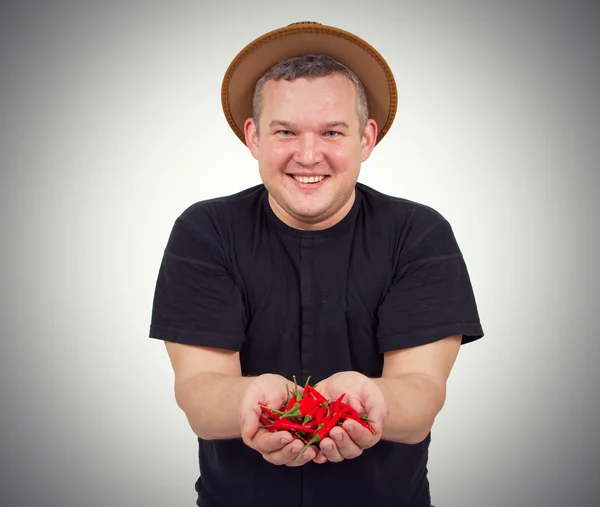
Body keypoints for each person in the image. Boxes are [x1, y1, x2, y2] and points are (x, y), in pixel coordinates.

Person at [149, 21, 484, 507]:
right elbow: (200, 392)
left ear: (366, 139)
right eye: (285, 131)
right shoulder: (206, 231)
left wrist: (376, 401)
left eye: (332, 131)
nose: (308, 155)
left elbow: (422, 394)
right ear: (254, 137)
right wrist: (250, 401)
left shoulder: (419, 234)